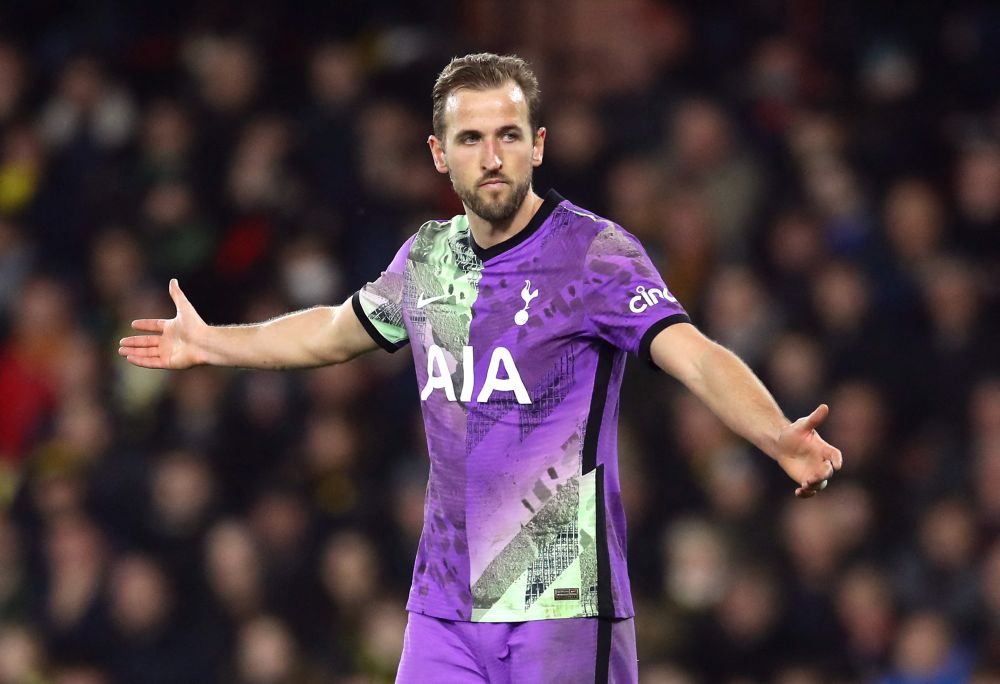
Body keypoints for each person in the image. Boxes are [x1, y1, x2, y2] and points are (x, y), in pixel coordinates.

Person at [119, 53, 843, 683]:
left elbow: (694, 353)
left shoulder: (594, 254)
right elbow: (334, 331)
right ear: (439, 153)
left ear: (538, 147)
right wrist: (213, 343)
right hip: (445, 599)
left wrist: (775, 434)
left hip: (558, 593)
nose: (491, 155)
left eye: (508, 136)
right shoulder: (429, 256)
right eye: (471, 138)